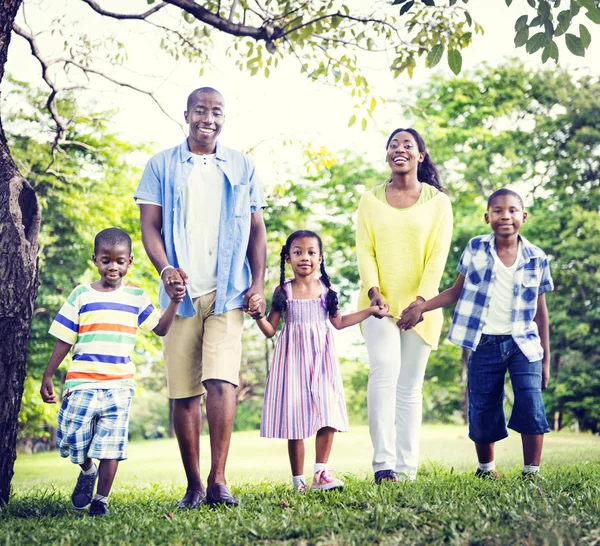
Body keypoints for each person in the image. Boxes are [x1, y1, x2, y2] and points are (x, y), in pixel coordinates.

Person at [134, 87, 267, 508]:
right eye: (201, 111)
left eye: (217, 112)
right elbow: (149, 227)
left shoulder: (243, 166)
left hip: (228, 291)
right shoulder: (162, 165)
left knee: (222, 380)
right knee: (184, 391)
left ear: (224, 118)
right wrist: (166, 271)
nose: (208, 118)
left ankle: (218, 480)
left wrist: (258, 282)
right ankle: (193, 484)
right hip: (181, 295)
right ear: (186, 114)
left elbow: (257, 229)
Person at [399, 188, 553, 479]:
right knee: (482, 406)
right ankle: (486, 469)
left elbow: (540, 311)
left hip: (524, 344)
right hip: (483, 343)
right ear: (487, 217)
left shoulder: (537, 258)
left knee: (531, 402)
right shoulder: (475, 248)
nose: (505, 216)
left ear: (524, 216)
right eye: (497, 210)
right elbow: (456, 292)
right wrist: (422, 307)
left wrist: (545, 359)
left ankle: (532, 472)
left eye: (511, 210)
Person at [40, 228, 183, 516]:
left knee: (111, 445)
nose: (113, 267)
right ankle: (87, 469)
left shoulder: (136, 298)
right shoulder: (81, 295)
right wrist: (47, 374)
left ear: (129, 262)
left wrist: (176, 301)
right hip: (81, 382)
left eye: (119, 261)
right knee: (72, 439)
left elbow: (161, 329)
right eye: (106, 260)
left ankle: (101, 500)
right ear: (95, 260)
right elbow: (64, 338)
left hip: (119, 385)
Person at [249, 230, 391, 492]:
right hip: (291, 359)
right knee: (296, 418)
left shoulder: (327, 290)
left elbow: (338, 323)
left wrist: (370, 311)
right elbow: (271, 330)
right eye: (298, 252)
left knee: (328, 411)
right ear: (288, 259)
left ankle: (320, 472)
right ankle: (297, 481)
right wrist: (257, 316)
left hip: (321, 359)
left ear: (320, 258)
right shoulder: (284, 290)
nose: (305, 257)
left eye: (311, 252)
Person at [356, 128, 453, 483]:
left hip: (421, 308)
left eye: (407, 145)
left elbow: (437, 256)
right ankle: (383, 465)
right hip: (377, 305)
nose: (400, 149)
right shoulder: (369, 200)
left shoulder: (438, 202)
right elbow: (364, 249)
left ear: (420, 156)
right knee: (383, 372)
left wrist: (421, 304)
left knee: (410, 388)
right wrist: (373, 291)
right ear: (386, 156)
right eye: (393, 145)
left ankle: (406, 469)